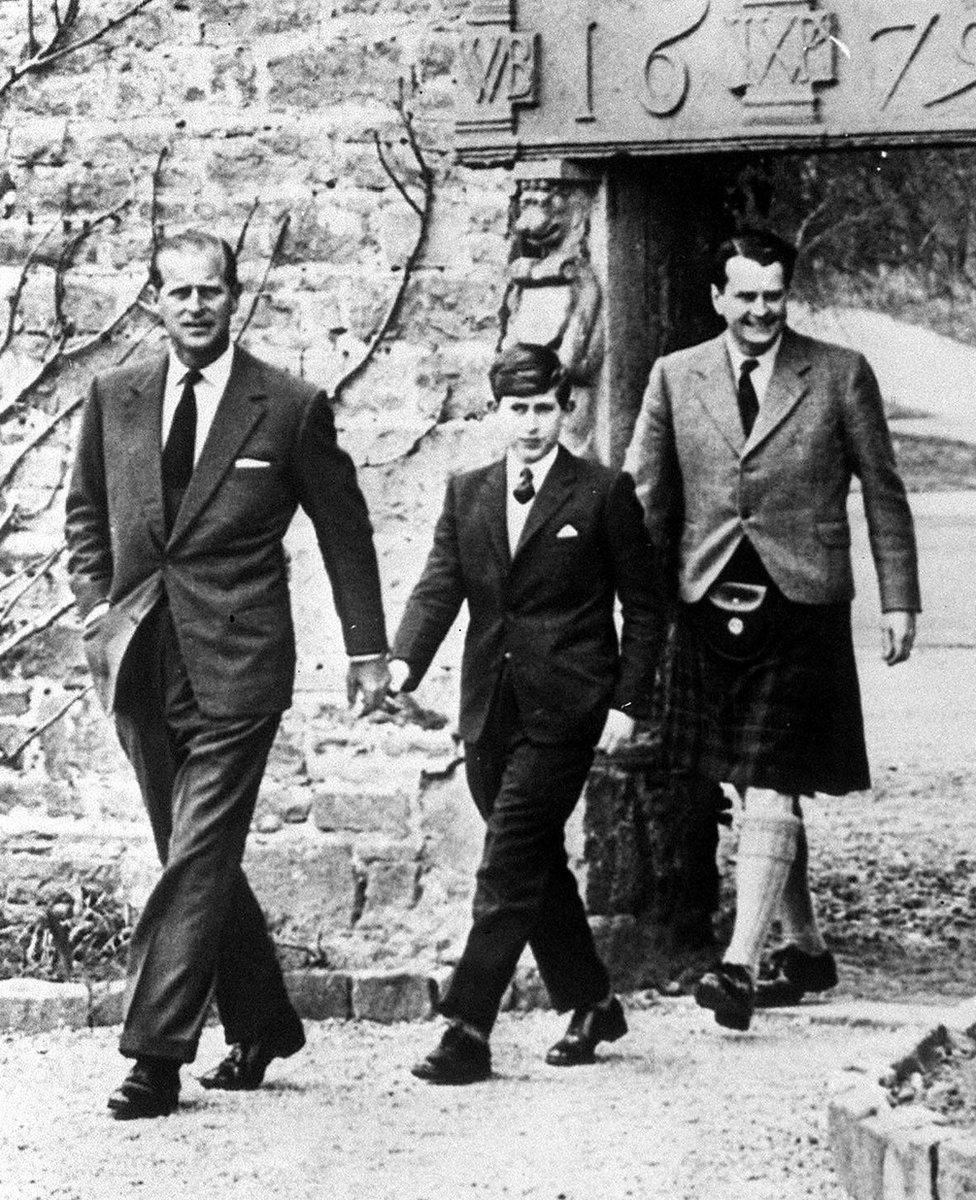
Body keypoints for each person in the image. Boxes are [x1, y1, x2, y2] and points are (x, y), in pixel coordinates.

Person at [64, 230, 390, 1118]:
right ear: (155, 302)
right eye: (180, 292)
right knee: (192, 855)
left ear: (235, 297)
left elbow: (344, 529)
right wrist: (97, 609)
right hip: (140, 660)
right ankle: (264, 1020)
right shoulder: (115, 394)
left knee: (200, 851)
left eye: (213, 291)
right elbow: (86, 514)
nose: (197, 305)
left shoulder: (286, 404)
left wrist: (367, 651)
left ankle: (153, 1057)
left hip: (240, 662)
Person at [623, 227, 920, 1031]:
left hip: (803, 602)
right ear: (717, 298)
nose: (760, 311)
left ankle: (739, 967)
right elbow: (641, 497)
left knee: (772, 773)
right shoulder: (674, 376)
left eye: (773, 295)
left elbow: (883, 490)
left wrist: (900, 599)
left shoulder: (837, 373)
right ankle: (807, 946)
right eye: (745, 296)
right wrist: (627, 605)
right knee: (753, 780)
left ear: (788, 294)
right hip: (706, 598)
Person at [388, 342, 664, 1083]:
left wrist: (626, 702)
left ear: (565, 408)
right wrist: (403, 661)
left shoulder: (602, 493)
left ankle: (466, 1028)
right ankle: (593, 1000)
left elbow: (644, 605)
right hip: (487, 710)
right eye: (519, 409)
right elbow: (439, 586)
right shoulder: (467, 491)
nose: (533, 423)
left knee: (507, 862)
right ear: (496, 411)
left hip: (566, 710)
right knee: (535, 863)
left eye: (546, 408)